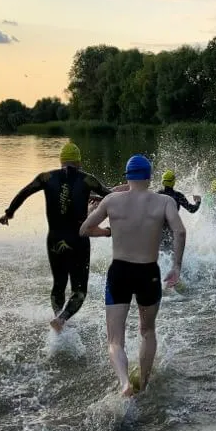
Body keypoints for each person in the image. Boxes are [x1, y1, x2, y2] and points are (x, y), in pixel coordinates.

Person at [79, 154, 185, 397]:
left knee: (115, 340)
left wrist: (107, 232)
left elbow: (84, 229)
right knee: (147, 331)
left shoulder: (111, 201)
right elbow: (179, 232)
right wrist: (176, 266)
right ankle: (144, 384)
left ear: (127, 177)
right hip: (149, 272)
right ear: (149, 177)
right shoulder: (165, 201)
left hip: (120, 272)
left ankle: (124, 383)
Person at [0, 141, 111, 333]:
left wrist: (9, 213)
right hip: (78, 241)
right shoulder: (88, 180)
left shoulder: (46, 177)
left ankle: (57, 317)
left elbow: (24, 192)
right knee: (79, 291)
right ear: (79, 162)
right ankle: (62, 319)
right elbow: (112, 198)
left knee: (58, 285)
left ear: (61, 161)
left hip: (54, 240)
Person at [158, 169, 201, 252]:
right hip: (172, 230)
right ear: (173, 182)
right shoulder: (178, 196)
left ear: (163, 182)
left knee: (161, 254)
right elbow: (192, 209)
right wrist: (198, 201)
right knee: (171, 254)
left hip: (159, 230)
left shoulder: (157, 195)